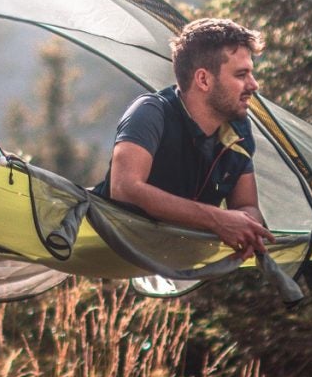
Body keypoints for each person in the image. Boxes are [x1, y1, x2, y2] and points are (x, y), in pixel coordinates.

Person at [93, 18, 275, 260]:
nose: (254, 85)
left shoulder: (238, 129)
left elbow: (246, 204)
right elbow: (124, 189)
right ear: (203, 80)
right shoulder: (150, 112)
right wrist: (216, 219)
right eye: (241, 74)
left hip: (178, 257)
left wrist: (248, 226)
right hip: (112, 246)